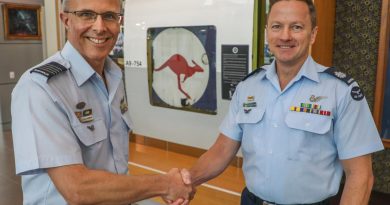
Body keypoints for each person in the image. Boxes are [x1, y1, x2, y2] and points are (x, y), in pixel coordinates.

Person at [177, 0, 385, 204]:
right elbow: (222, 150)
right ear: (268, 33)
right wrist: (187, 181)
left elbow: (361, 176)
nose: (285, 36)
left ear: (313, 34)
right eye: (277, 27)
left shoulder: (341, 91)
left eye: (296, 27)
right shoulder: (248, 87)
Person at [11, 0, 192, 204]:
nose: (99, 27)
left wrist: (172, 187)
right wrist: (164, 185)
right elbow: (77, 189)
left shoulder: (114, 75)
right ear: (66, 20)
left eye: (109, 16)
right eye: (87, 14)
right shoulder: (40, 88)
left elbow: (116, 169)